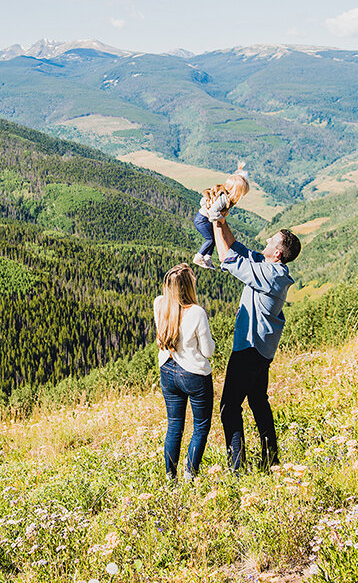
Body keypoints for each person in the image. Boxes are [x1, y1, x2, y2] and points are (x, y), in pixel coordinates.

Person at [212, 215, 300, 471]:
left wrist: (216, 223)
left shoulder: (270, 275)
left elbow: (227, 258)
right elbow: (237, 248)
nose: (267, 239)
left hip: (249, 349)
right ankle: (271, 459)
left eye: (272, 239)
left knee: (229, 407)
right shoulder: (270, 267)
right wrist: (223, 221)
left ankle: (237, 468)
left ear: (277, 253)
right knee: (258, 401)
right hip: (262, 350)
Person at [153, 263, 216, 480]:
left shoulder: (159, 304)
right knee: (200, 426)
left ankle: (171, 475)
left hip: (167, 371)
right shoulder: (197, 312)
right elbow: (208, 352)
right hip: (193, 374)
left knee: (174, 425)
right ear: (189, 287)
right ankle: (190, 473)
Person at [193, 164, 250, 270]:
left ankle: (207, 258)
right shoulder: (224, 199)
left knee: (212, 239)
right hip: (202, 220)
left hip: (201, 218)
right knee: (209, 240)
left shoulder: (220, 193)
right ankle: (199, 257)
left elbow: (203, 201)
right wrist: (221, 219)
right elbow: (213, 213)